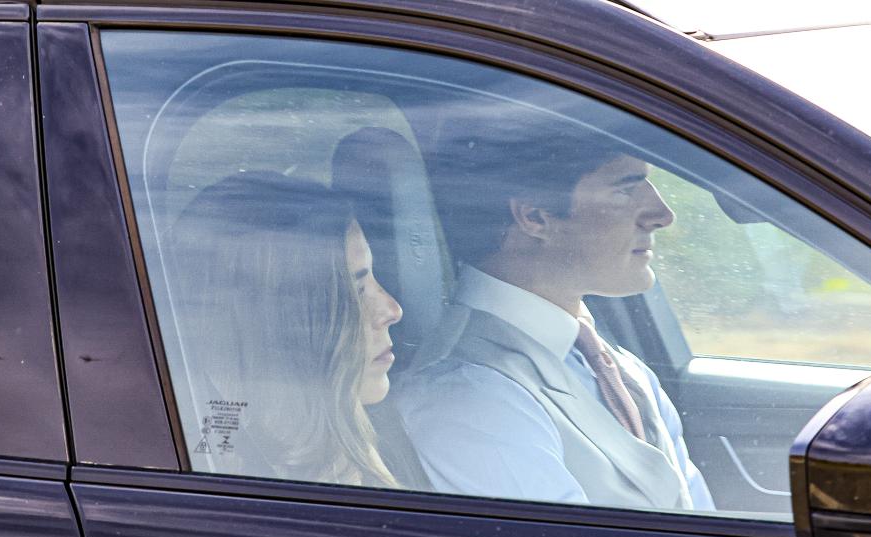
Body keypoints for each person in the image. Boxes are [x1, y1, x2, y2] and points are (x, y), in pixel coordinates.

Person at [395, 120, 715, 511]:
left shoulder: (622, 369)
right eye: (626, 189)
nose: (662, 215)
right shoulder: (471, 395)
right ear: (535, 217)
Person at [168, 170, 405, 487]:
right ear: (281, 331)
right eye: (355, 293)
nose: (392, 310)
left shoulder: (377, 442)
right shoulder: (246, 497)